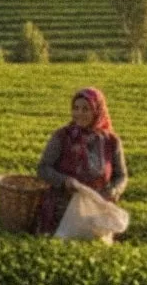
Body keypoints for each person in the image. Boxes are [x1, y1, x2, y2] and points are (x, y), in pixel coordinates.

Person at [36, 87, 128, 235]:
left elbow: (121, 175)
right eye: (76, 108)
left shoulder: (111, 141)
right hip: (64, 206)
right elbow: (43, 168)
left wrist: (114, 190)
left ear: (97, 111)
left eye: (86, 109)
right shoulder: (62, 136)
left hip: (96, 206)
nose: (79, 113)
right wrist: (64, 181)